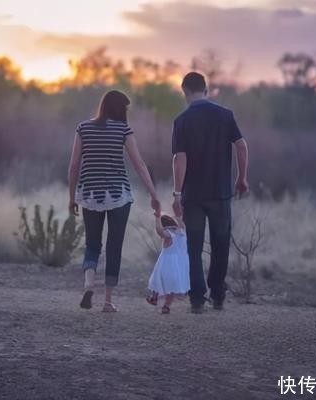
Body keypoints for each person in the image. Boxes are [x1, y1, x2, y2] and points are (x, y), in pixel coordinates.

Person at [68, 90, 161, 313]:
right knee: (114, 245)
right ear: (120, 108)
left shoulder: (83, 128)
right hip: (118, 195)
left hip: (89, 194)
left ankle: (89, 284)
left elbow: (73, 166)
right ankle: (108, 301)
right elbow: (139, 164)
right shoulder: (123, 130)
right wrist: (153, 194)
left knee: (92, 243)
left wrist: (72, 197)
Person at [171, 72, 249, 314]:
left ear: (185, 91)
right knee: (220, 244)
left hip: (193, 196)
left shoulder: (182, 120)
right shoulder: (225, 116)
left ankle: (196, 299)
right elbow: (241, 146)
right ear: (205, 89)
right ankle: (217, 294)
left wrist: (176, 194)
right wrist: (241, 178)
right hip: (220, 193)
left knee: (193, 248)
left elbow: (179, 159)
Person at [146, 213, 190, 314]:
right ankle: (166, 306)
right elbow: (182, 223)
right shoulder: (182, 232)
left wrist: (157, 218)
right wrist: (178, 215)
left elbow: (160, 232)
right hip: (180, 264)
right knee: (172, 287)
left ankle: (154, 297)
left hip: (167, 263)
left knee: (158, 279)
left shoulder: (169, 234)